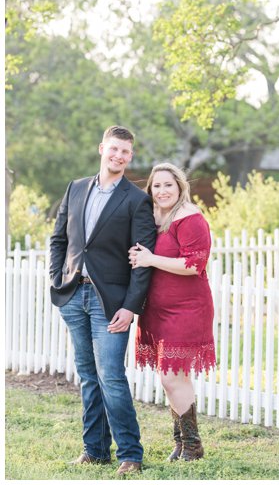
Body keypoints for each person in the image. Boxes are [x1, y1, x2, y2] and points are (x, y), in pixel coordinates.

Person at [49, 125, 157, 476]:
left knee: (111, 376)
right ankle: (94, 450)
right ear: (101, 149)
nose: (118, 156)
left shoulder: (137, 200)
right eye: (113, 149)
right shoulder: (76, 188)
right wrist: (56, 279)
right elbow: (58, 240)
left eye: (125, 152)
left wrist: (130, 306)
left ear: (130, 156)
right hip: (73, 295)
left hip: (109, 302)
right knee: (88, 375)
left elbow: (142, 259)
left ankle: (130, 453)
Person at [129, 162, 216, 462]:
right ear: (150, 189)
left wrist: (151, 259)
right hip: (156, 309)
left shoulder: (190, 218)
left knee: (171, 377)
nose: (163, 190)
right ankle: (181, 443)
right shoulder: (153, 217)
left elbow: (195, 265)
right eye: (157, 186)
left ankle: (193, 446)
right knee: (172, 378)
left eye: (169, 184)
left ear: (180, 186)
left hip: (187, 308)